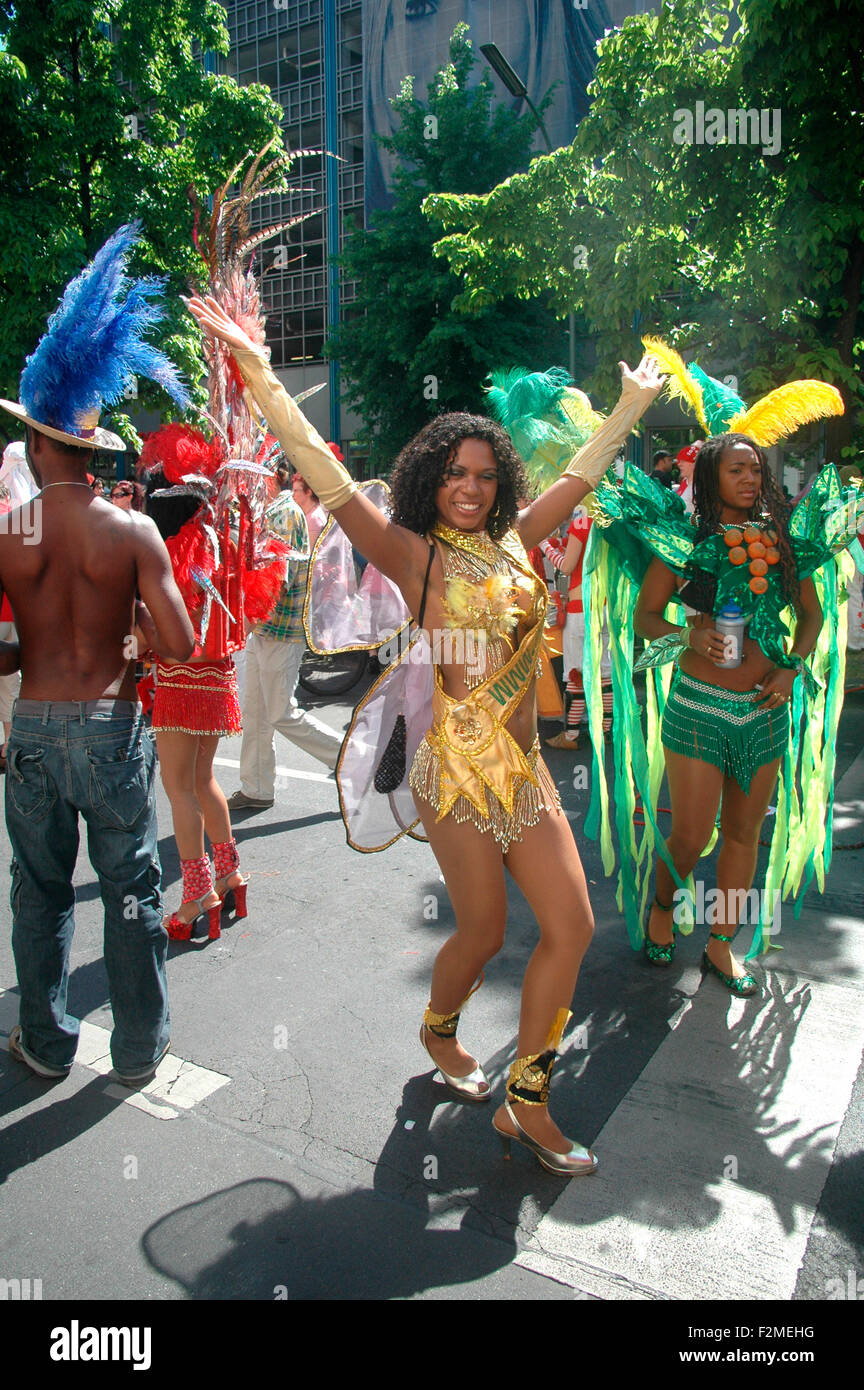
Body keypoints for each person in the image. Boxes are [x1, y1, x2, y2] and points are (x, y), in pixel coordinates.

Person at [188, 290, 664, 1176]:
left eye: (486, 475)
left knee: (571, 924)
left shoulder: (524, 540)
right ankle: (442, 1031)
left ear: (503, 483)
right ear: (429, 480)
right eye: (456, 475)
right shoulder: (416, 555)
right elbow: (323, 478)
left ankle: (529, 1096)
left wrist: (631, 405)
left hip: (522, 771)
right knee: (481, 934)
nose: (473, 489)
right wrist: (259, 373)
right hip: (452, 772)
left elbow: (585, 476)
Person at [0, 223, 194, 1083]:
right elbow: (182, 643)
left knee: (38, 896)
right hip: (114, 728)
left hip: (35, 732)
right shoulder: (132, 529)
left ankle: (43, 1041)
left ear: (40, 443)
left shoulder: (9, 531)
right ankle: (139, 1048)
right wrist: (136, 645)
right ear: (88, 446)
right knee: (130, 893)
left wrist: (25, 650)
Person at [636, 435, 823, 993]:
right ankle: (663, 908)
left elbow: (811, 616)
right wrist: (689, 632)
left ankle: (721, 947)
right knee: (691, 835)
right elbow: (644, 619)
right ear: (712, 476)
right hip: (698, 709)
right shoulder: (683, 543)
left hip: (765, 709)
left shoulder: (785, 543)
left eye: (757, 470)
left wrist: (791, 667)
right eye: (737, 469)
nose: (750, 478)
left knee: (744, 834)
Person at [227, 460, 342, 814]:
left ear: (267, 476)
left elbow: (279, 577)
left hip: (279, 628)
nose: (241, 482)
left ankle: (349, 758)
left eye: (248, 474)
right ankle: (257, 787)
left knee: (279, 713)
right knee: (258, 714)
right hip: (266, 628)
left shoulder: (282, 513)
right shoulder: (267, 511)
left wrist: (245, 621)